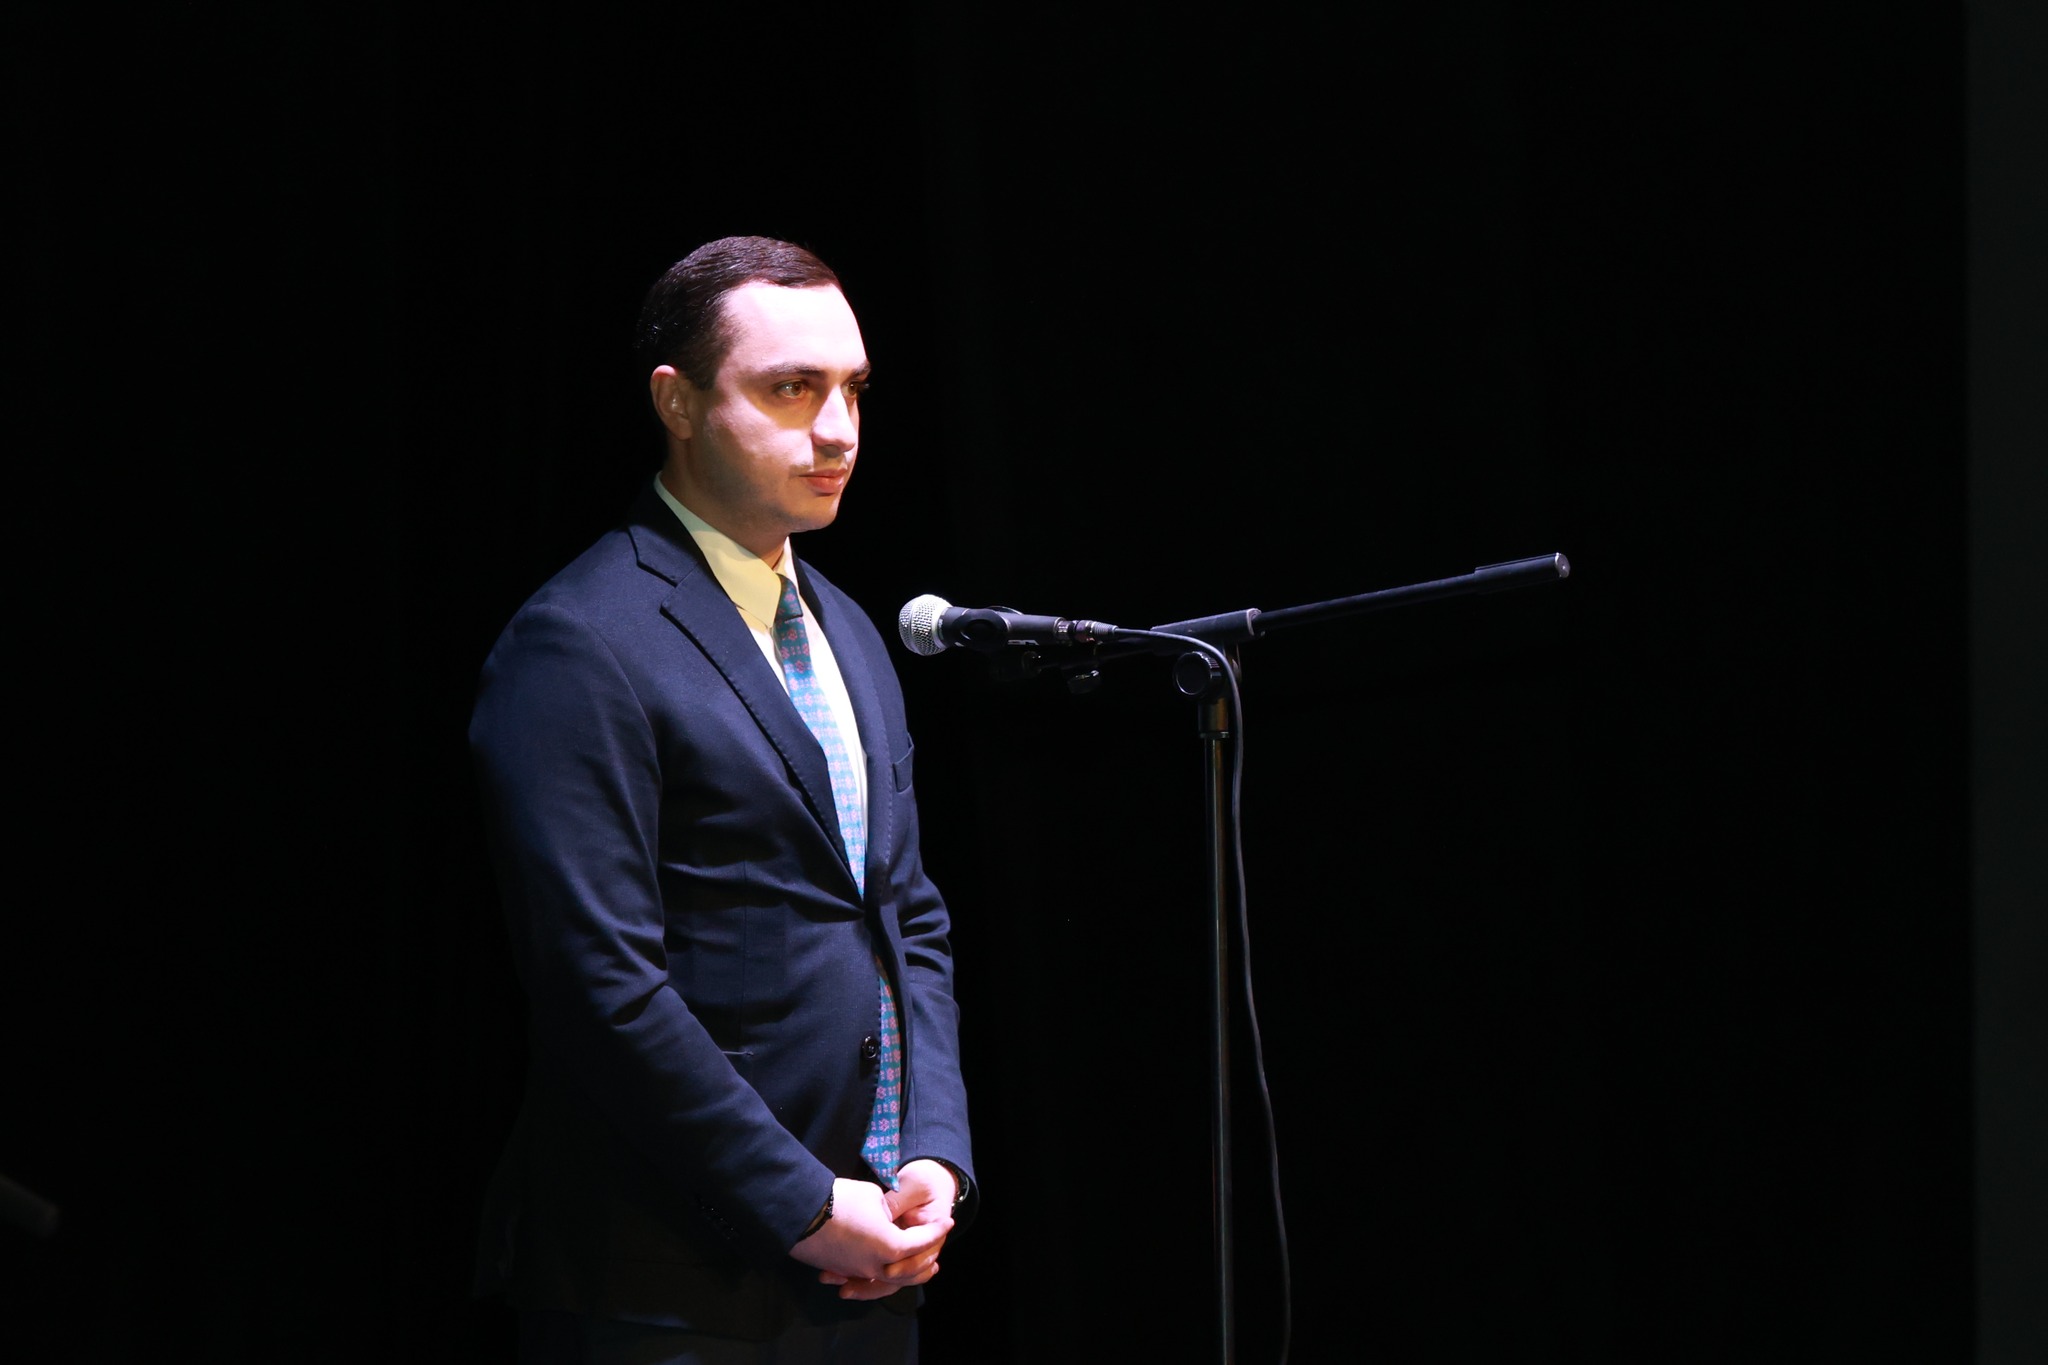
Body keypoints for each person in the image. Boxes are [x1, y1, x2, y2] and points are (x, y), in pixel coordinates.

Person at [469, 236, 975, 1365]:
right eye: (791, 389)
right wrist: (799, 1201)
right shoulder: (580, 642)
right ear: (679, 403)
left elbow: (908, 917)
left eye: (852, 389)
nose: (838, 430)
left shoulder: (849, 628)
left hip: (868, 1268)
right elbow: (600, 984)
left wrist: (934, 1151)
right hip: (669, 1285)